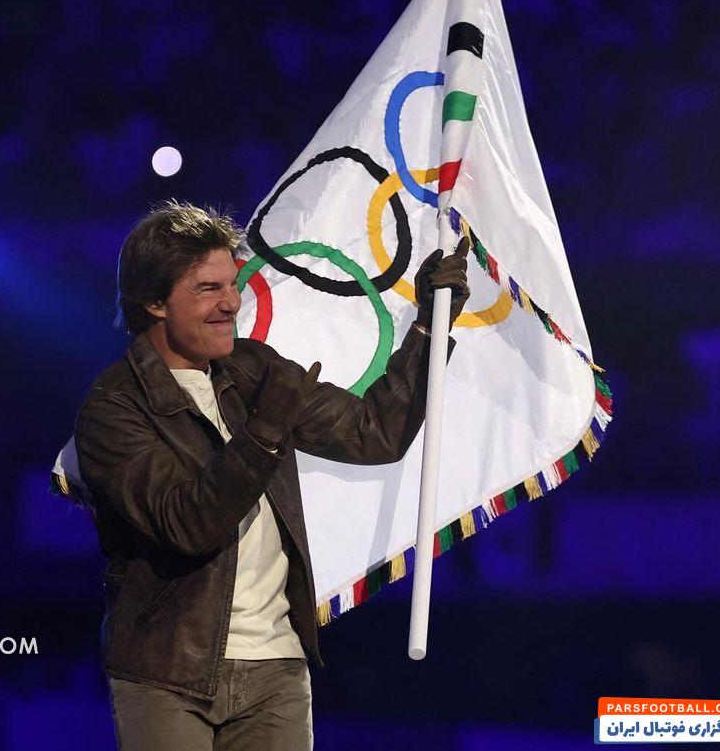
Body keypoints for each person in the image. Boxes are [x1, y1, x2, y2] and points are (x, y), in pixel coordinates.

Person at [74, 200, 470, 750]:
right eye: (207, 289)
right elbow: (187, 524)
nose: (231, 302)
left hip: (277, 668)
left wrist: (429, 324)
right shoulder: (113, 407)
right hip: (166, 673)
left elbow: (375, 432)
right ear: (154, 301)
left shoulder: (255, 369)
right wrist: (262, 434)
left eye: (231, 285)